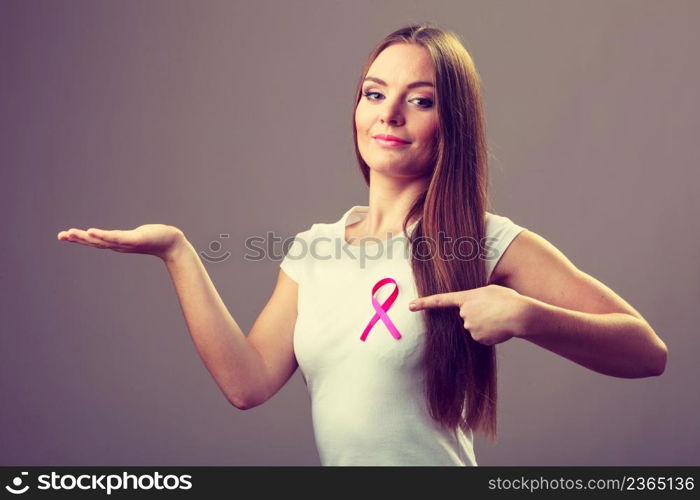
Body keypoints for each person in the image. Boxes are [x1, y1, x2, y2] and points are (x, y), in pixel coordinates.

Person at [56, 24, 668, 466]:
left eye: (420, 100)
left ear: (450, 122)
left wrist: (529, 316)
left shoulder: (483, 241)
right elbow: (247, 384)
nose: (390, 114)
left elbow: (647, 352)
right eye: (375, 94)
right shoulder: (313, 250)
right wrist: (178, 253)